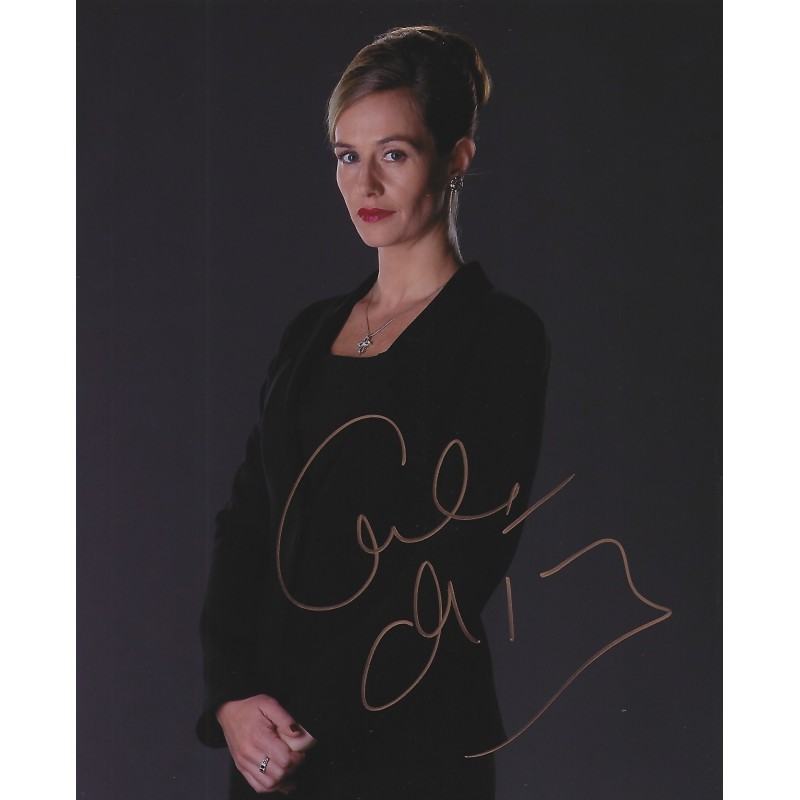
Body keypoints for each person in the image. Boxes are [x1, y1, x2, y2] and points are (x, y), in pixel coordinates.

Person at [197, 25, 550, 799]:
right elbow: (248, 520)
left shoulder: (497, 335)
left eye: (393, 154)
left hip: (409, 743)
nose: (365, 183)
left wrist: (312, 721)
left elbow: (459, 560)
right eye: (346, 156)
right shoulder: (310, 331)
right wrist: (231, 698)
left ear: (456, 158)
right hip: (267, 746)